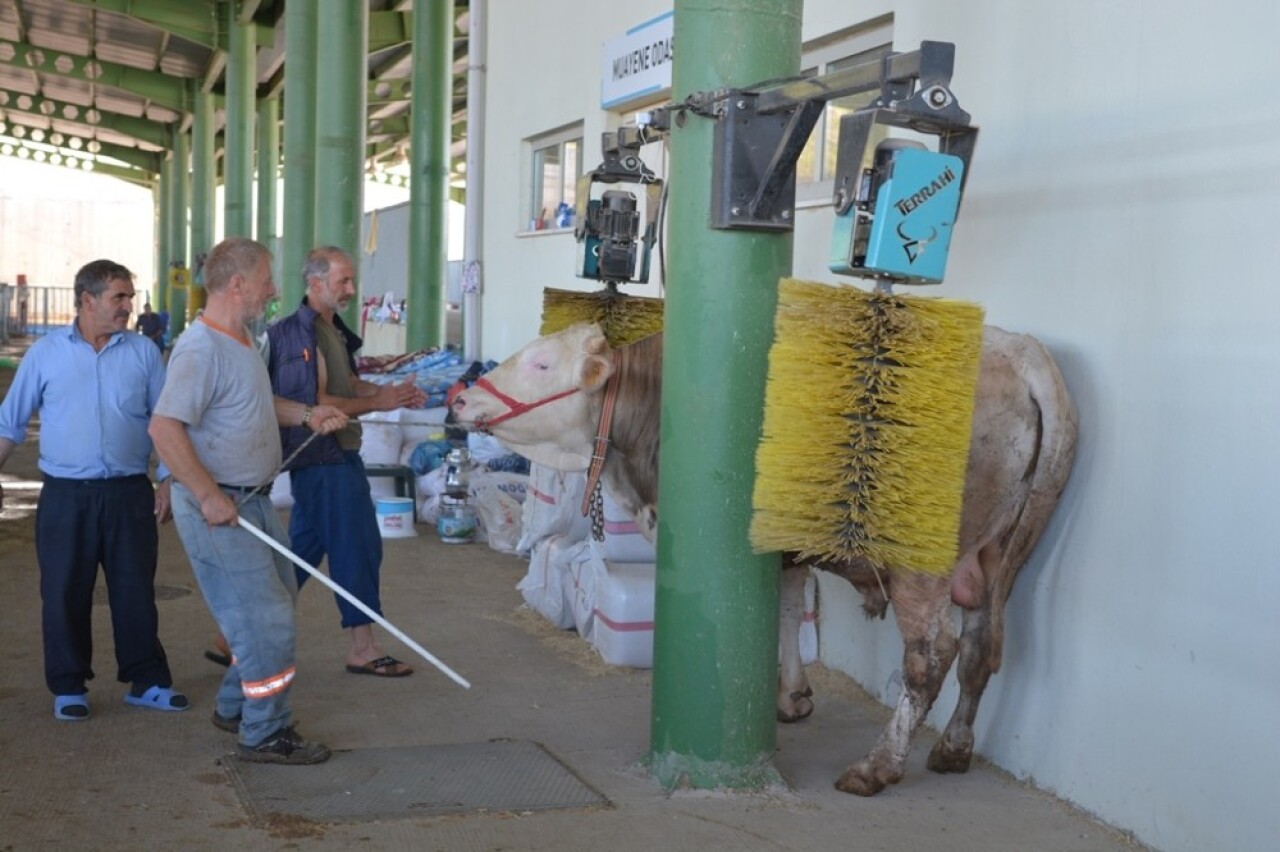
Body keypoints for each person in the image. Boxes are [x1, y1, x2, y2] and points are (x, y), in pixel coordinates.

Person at [149, 237, 348, 765]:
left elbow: (255, 405)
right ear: (238, 285)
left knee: (275, 604)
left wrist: (307, 415)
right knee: (266, 622)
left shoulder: (242, 341)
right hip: (224, 507)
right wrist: (208, 495)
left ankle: (237, 704)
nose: (274, 290)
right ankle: (266, 731)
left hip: (253, 499)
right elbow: (164, 428)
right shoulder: (200, 349)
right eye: (266, 280)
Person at [0, 259, 187, 722]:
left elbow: (165, 423)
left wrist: (168, 478)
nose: (129, 306)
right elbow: (10, 422)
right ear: (87, 300)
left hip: (129, 493)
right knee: (64, 590)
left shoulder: (144, 353)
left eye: (129, 296)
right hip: (66, 495)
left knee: (134, 590)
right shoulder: (46, 355)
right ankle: (68, 687)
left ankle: (146, 681)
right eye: (119, 297)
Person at [266, 246, 426, 677]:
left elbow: (348, 382)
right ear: (315, 283)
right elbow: (314, 403)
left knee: (299, 552)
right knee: (356, 545)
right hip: (324, 458)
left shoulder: (330, 328)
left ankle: (237, 636)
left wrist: (387, 393)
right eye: (344, 281)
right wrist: (378, 402)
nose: (352, 290)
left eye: (352, 281)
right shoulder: (298, 335)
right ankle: (363, 647)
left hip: (335, 456)